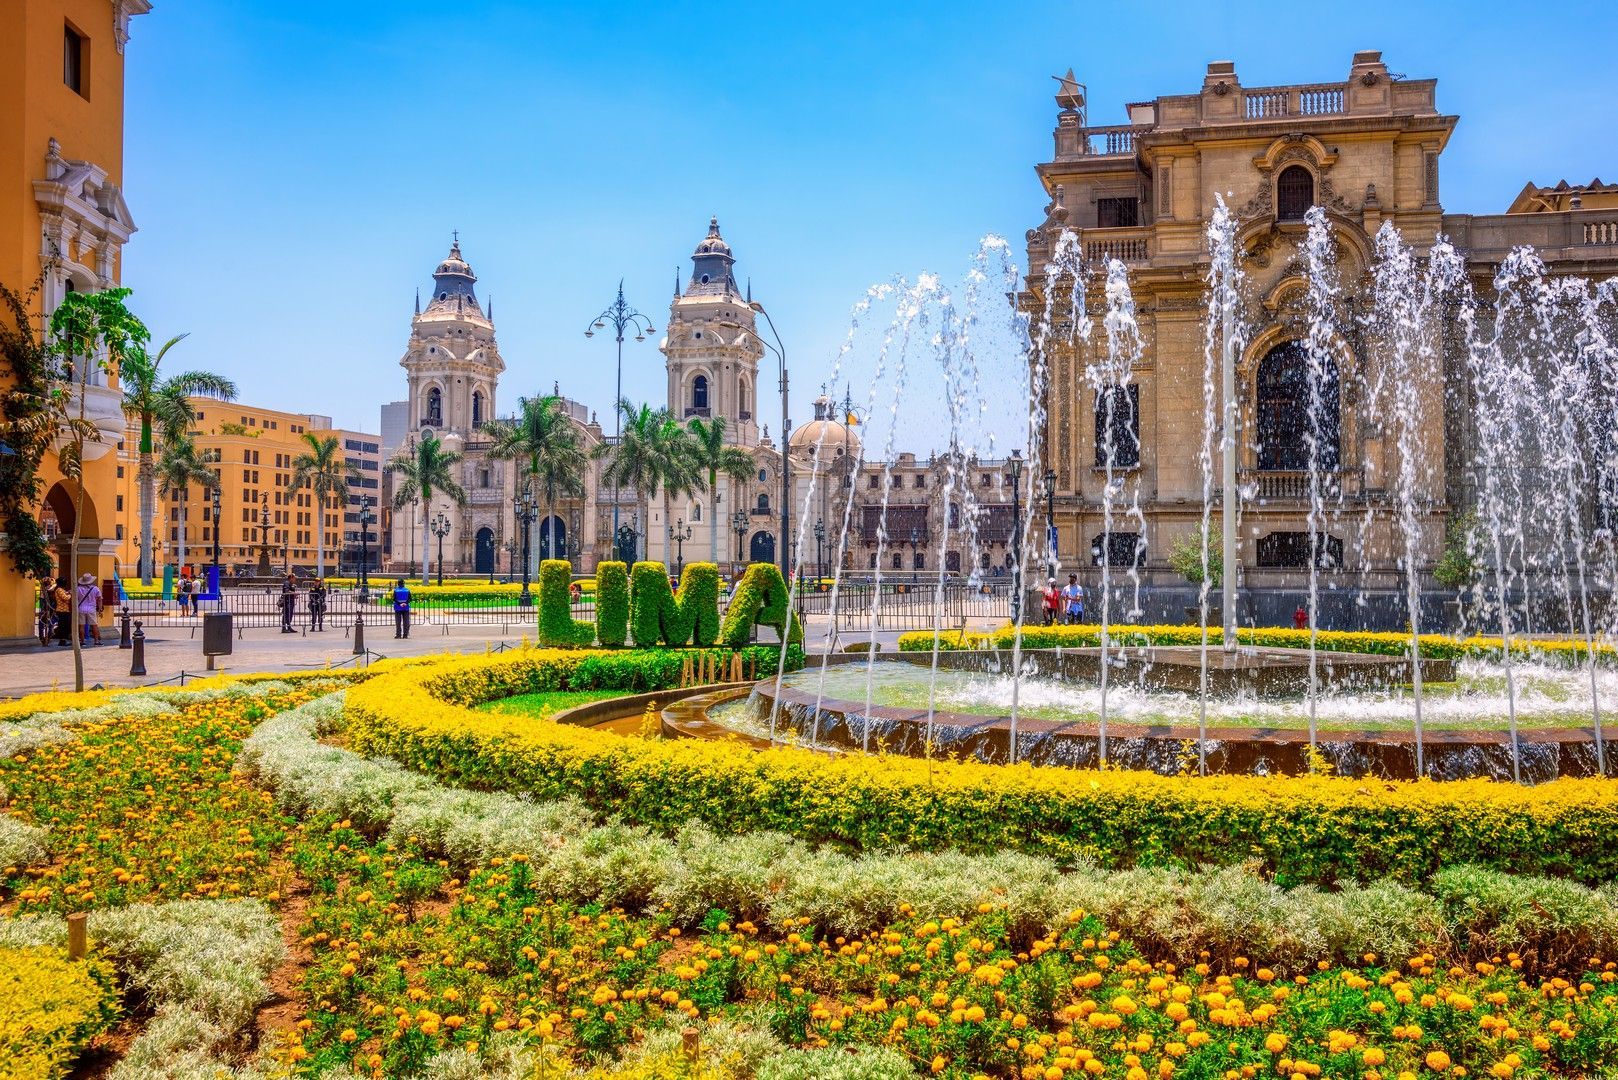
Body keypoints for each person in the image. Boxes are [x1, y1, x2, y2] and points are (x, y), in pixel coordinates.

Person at [76, 572, 102, 645]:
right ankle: (96, 641)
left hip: (81, 608)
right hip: (91, 609)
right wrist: (100, 609)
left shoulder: (78, 589)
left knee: (81, 625)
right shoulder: (95, 589)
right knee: (94, 625)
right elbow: (99, 599)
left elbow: (75, 599)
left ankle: (82, 641)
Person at [52, 577, 72, 646]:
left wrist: (68, 592)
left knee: (65, 625)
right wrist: (70, 594)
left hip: (65, 610)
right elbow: (65, 598)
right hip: (62, 610)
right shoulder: (59, 589)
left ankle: (63, 639)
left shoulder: (60, 589)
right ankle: (62, 640)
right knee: (63, 625)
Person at [36, 576, 57, 645]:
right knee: (48, 623)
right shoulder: (47, 591)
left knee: (47, 623)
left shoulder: (46, 591)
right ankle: (44, 637)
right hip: (48, 609)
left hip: (48, 609)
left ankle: (44, 637)